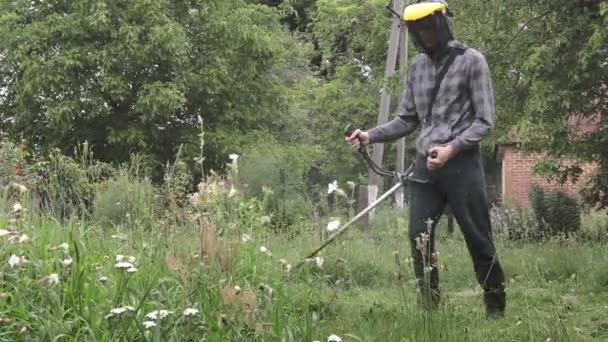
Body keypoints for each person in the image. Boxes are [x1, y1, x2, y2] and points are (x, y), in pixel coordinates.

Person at [346, 0, 506, 318]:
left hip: (462, 164)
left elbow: (484, 121)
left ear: (442, 24)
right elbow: (406, 120)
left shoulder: (472, 61)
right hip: (425, 166)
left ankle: (495, 309)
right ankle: (429, 308)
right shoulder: (417, 69)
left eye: (429, 25)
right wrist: (369, 135)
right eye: (417, 28)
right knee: (419, 236)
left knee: (477, 237)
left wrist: (451, 149)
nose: (424, 33)